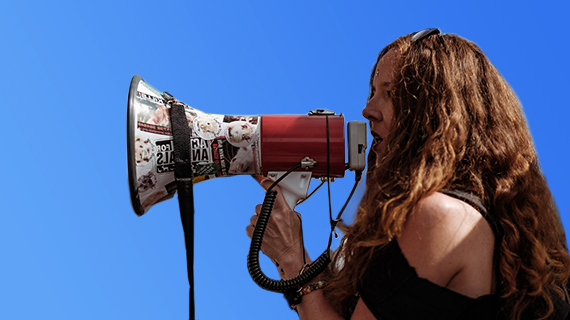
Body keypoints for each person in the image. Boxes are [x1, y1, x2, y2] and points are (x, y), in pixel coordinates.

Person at [246, 29, 570, 320]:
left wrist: (292, 258)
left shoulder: (442, 217)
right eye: (372, 91)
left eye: (390, 93)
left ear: (436, 113)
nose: (368, 109)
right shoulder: (485, 213)